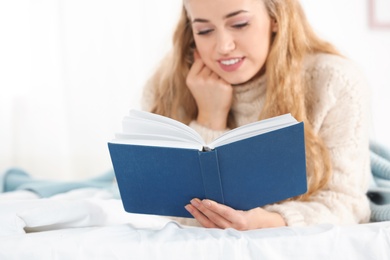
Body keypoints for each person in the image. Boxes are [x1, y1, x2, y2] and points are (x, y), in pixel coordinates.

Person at [141, 0, 371, 230]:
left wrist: (268, 223)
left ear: (275, 18)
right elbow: (170, 210)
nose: (223, 46)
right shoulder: (167, 87)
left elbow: (346, 205)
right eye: (205, 30)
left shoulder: (334, 82)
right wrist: (210, 117)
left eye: (240, 24)